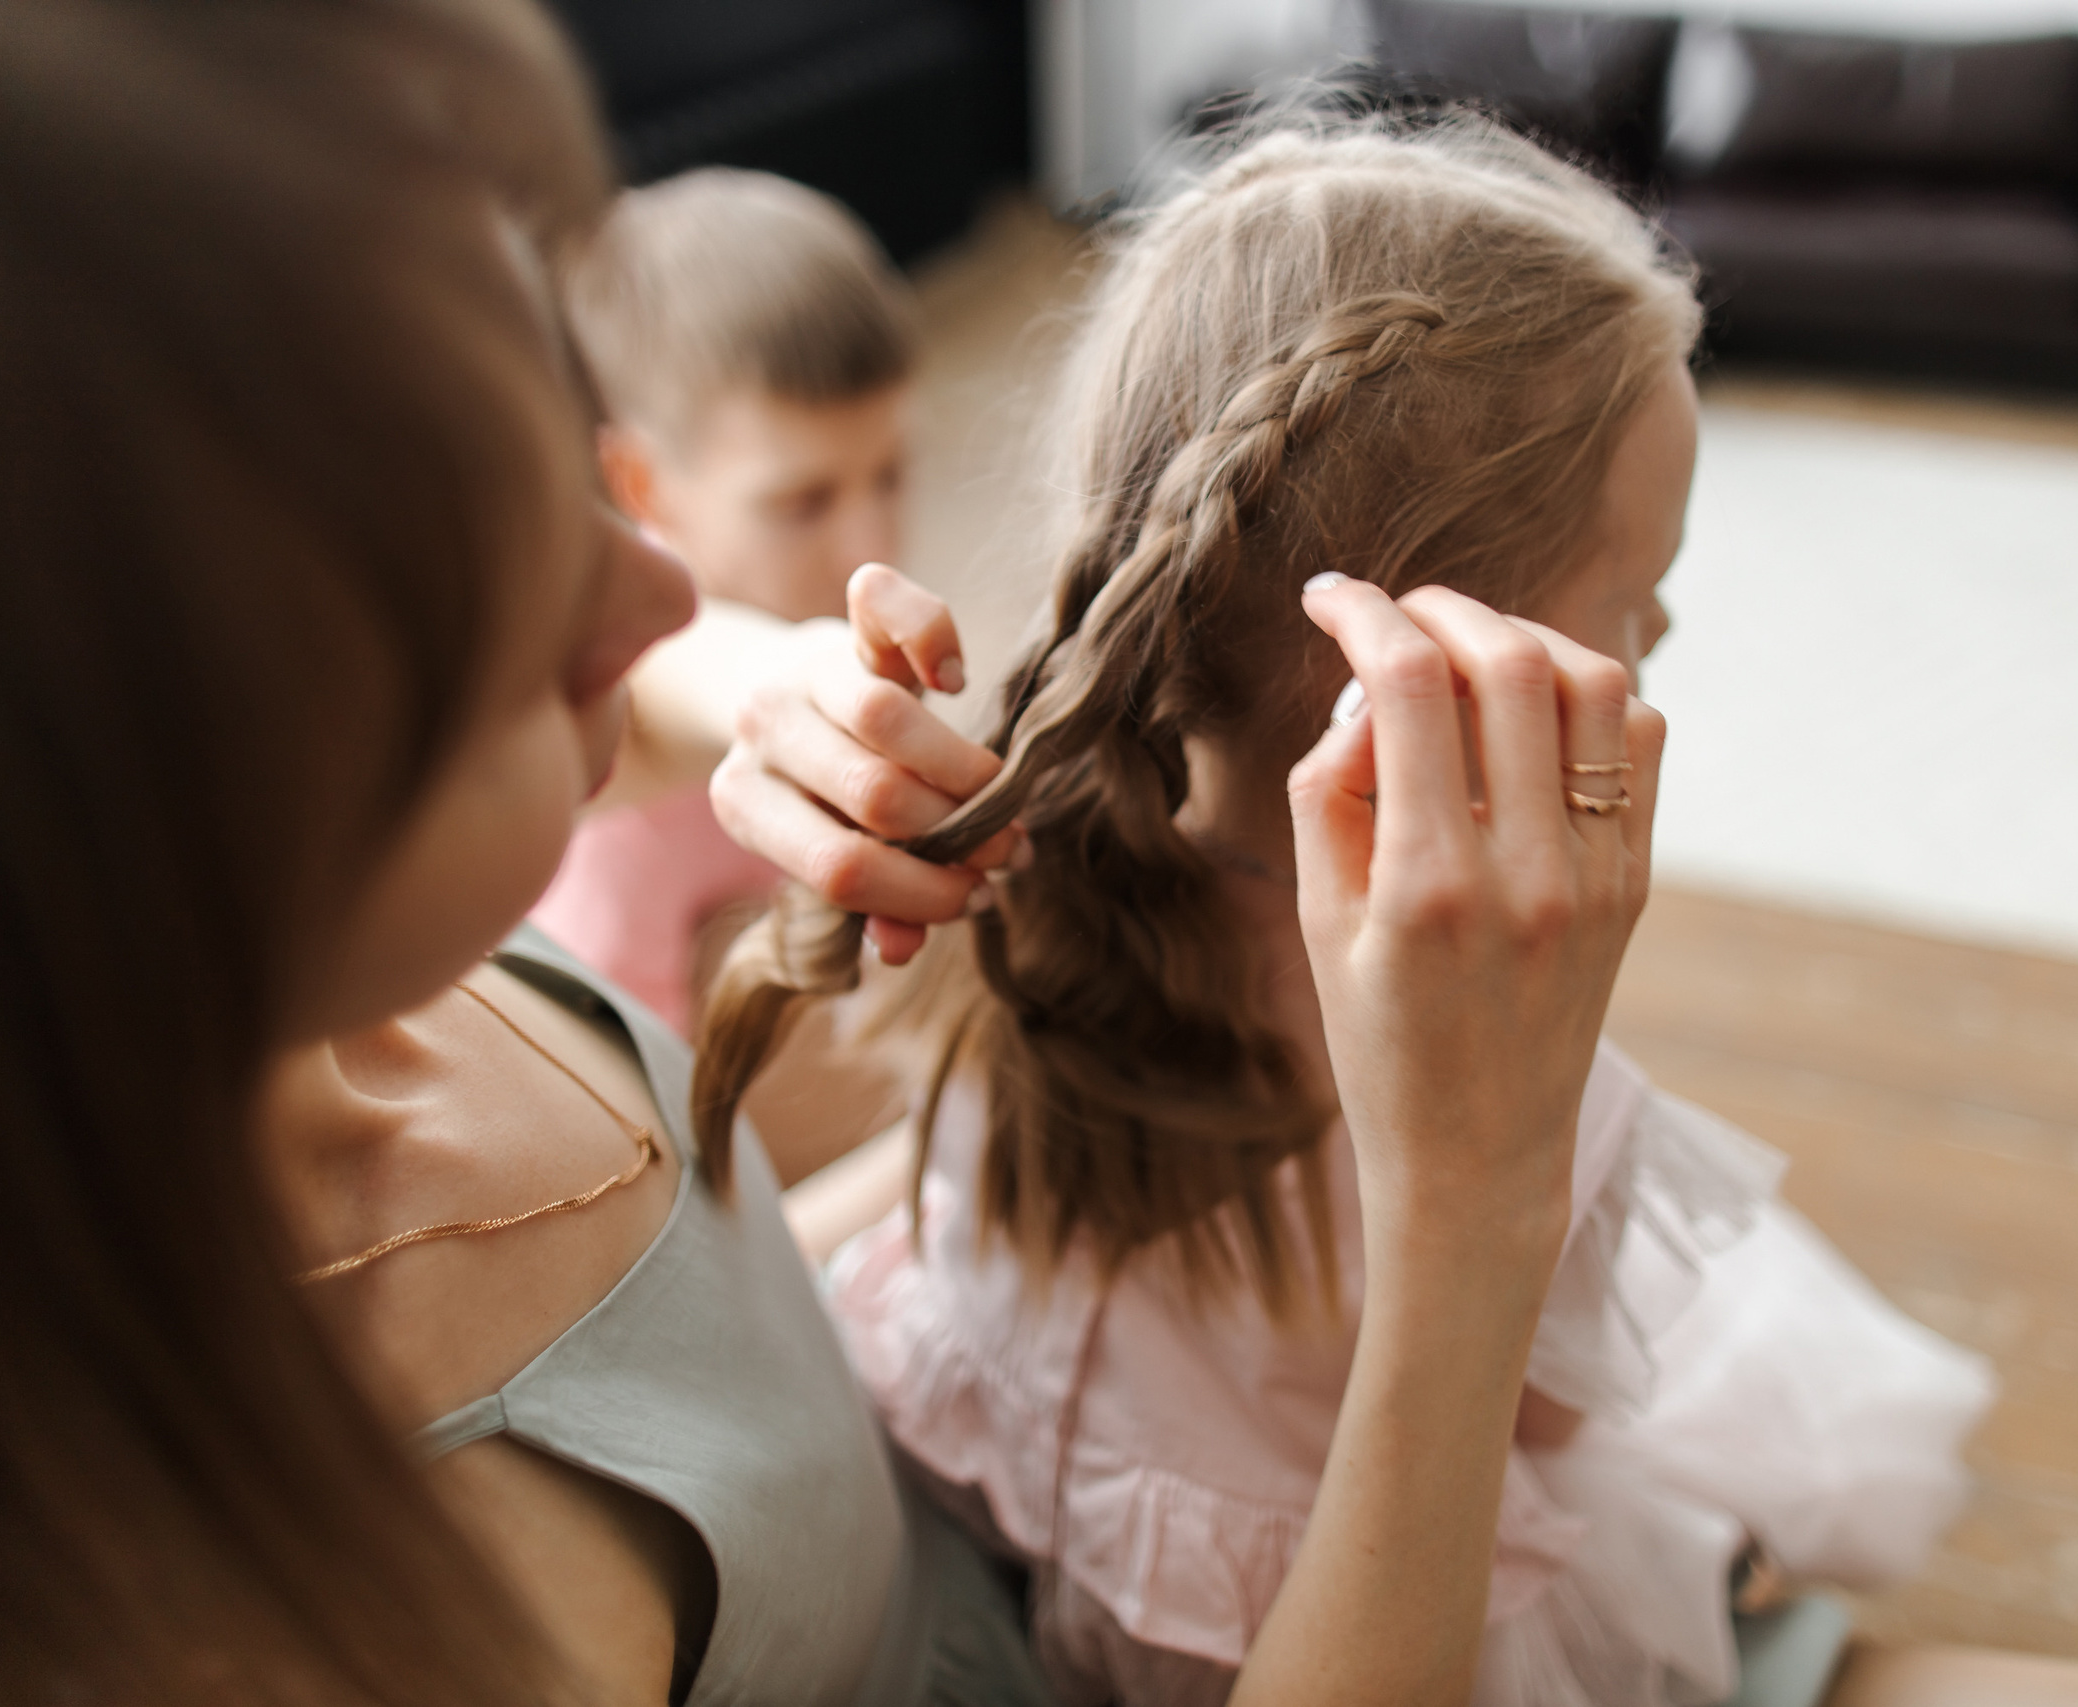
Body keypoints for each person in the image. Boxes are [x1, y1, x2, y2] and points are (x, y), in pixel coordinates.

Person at [0, 4, 1670, 1705]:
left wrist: (763, 683)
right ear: (124, 746)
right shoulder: (305, 1603)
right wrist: (1474, 1214)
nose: (658, 586)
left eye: (556, 449)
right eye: (467, 548)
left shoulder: (336, 971)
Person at [696, 119, 1991, 1707]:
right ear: (1431, 663)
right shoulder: (1510, 1092)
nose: (1661, 625)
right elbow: (1552, 1429)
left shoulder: (1016, 862)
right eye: (1633, 590)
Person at [532, 166, 922, 1038]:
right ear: (641, 483)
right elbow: (651, 1144)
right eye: (803, 502)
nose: (870, 549)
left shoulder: (842, 638)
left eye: (890, 475)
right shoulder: (615, 838)